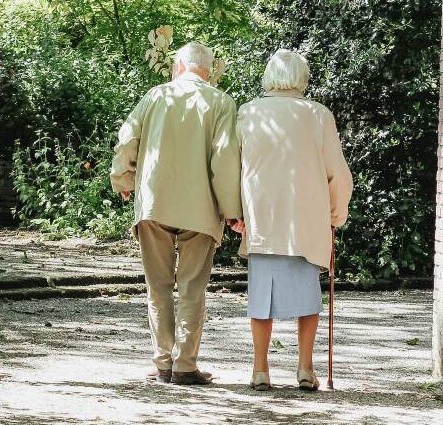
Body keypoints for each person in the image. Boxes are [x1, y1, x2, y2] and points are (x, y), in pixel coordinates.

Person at [110, 42, 243, 385]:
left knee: (158, 286)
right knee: (192, 287)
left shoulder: (155, 96)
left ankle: (162, 362)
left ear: (179, 66)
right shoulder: (221, 102)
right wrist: (232, 211)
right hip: (200, 209)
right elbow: (225, 160)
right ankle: (185, 365)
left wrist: (123, 178)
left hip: (155, 204)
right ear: (208, 70)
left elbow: (127, 140)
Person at [230, 49, 353, 391]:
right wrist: (335, 213)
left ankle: (260, 369)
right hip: (305, 221)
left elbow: (232, 167)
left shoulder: (248, 113)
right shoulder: (318, 115)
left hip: (263, 219)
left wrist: (234, 213)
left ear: (270, 75)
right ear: (303, 77)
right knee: (307, 298)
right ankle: (304, 368)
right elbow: (338, 174)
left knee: (260, 299)